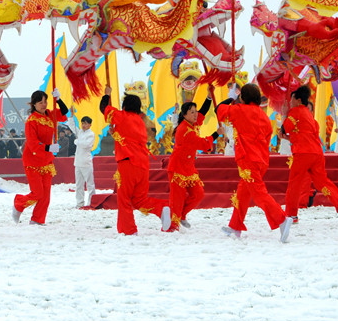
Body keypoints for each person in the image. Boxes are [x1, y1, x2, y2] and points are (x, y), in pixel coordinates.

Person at [217, 83, 293, 242]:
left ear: (243, 97)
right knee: (243, 193)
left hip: (248, 159)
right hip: (261, 160)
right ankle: (235, 226)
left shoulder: (239, 110)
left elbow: (219, 110)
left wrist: (230, 99)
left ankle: (281, 219)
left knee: (259, 193)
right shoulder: (264, 116)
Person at [99, 86, 171, 235]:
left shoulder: (121, 116)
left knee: (124, 199)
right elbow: (129, 138)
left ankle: (129, 230)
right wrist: (115, 132)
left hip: (128, 163)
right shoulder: (140, 122)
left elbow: (103, 108)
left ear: (125, 106)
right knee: (139, 200)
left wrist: (107, 95)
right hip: (143, 165)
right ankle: (161, 208)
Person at [281, 86, 338, 223]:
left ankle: (291, 215)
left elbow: (285, 128)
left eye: (292, 99)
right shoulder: (309, 116)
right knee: (321, 181)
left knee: (294, 184)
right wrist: (288, 137)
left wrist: (284, 114)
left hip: (303, 153)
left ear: (298, 100)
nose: (290, 102)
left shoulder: (296, 111)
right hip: (316, 152)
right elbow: (305, 135)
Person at [12, 88, 69, 225]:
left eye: (45, 101)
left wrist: (59, 100)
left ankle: (37, 220)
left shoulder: (49, 114)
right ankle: (19, 204)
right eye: (40, 102)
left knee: (46, 195)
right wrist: (49, 147)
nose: (44, 105)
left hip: (47, 160)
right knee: (37, 193)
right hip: (32, 160)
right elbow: (32, 143)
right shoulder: (31, 121)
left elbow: (64, 113)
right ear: (34, 104)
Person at [166, 98, 220, 232]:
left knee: (198, 194)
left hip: (189, 167)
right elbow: (204, 144)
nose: (195, 114)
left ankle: (182, 215)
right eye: (192, 112)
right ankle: (172, 227)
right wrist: (217, 134)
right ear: (184, 115)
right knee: (177, 200)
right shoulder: (185, 130)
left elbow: (202, 113)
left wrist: (208, 97)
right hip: (178, 168)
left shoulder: (192, 124)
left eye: (195, 111)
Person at [73, 116, 96, 208]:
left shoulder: (91, 134)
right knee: (79, 184)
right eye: (82, 123)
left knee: (90, 184)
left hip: (86, 162)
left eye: (85, 123)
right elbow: (72, 126)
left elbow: (86, 145)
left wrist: (77, 141)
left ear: (90, 125)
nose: (83, 125)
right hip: (78, 162)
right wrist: (71, 116)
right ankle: (80, 203)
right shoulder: (80, 132)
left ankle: (92, 202)